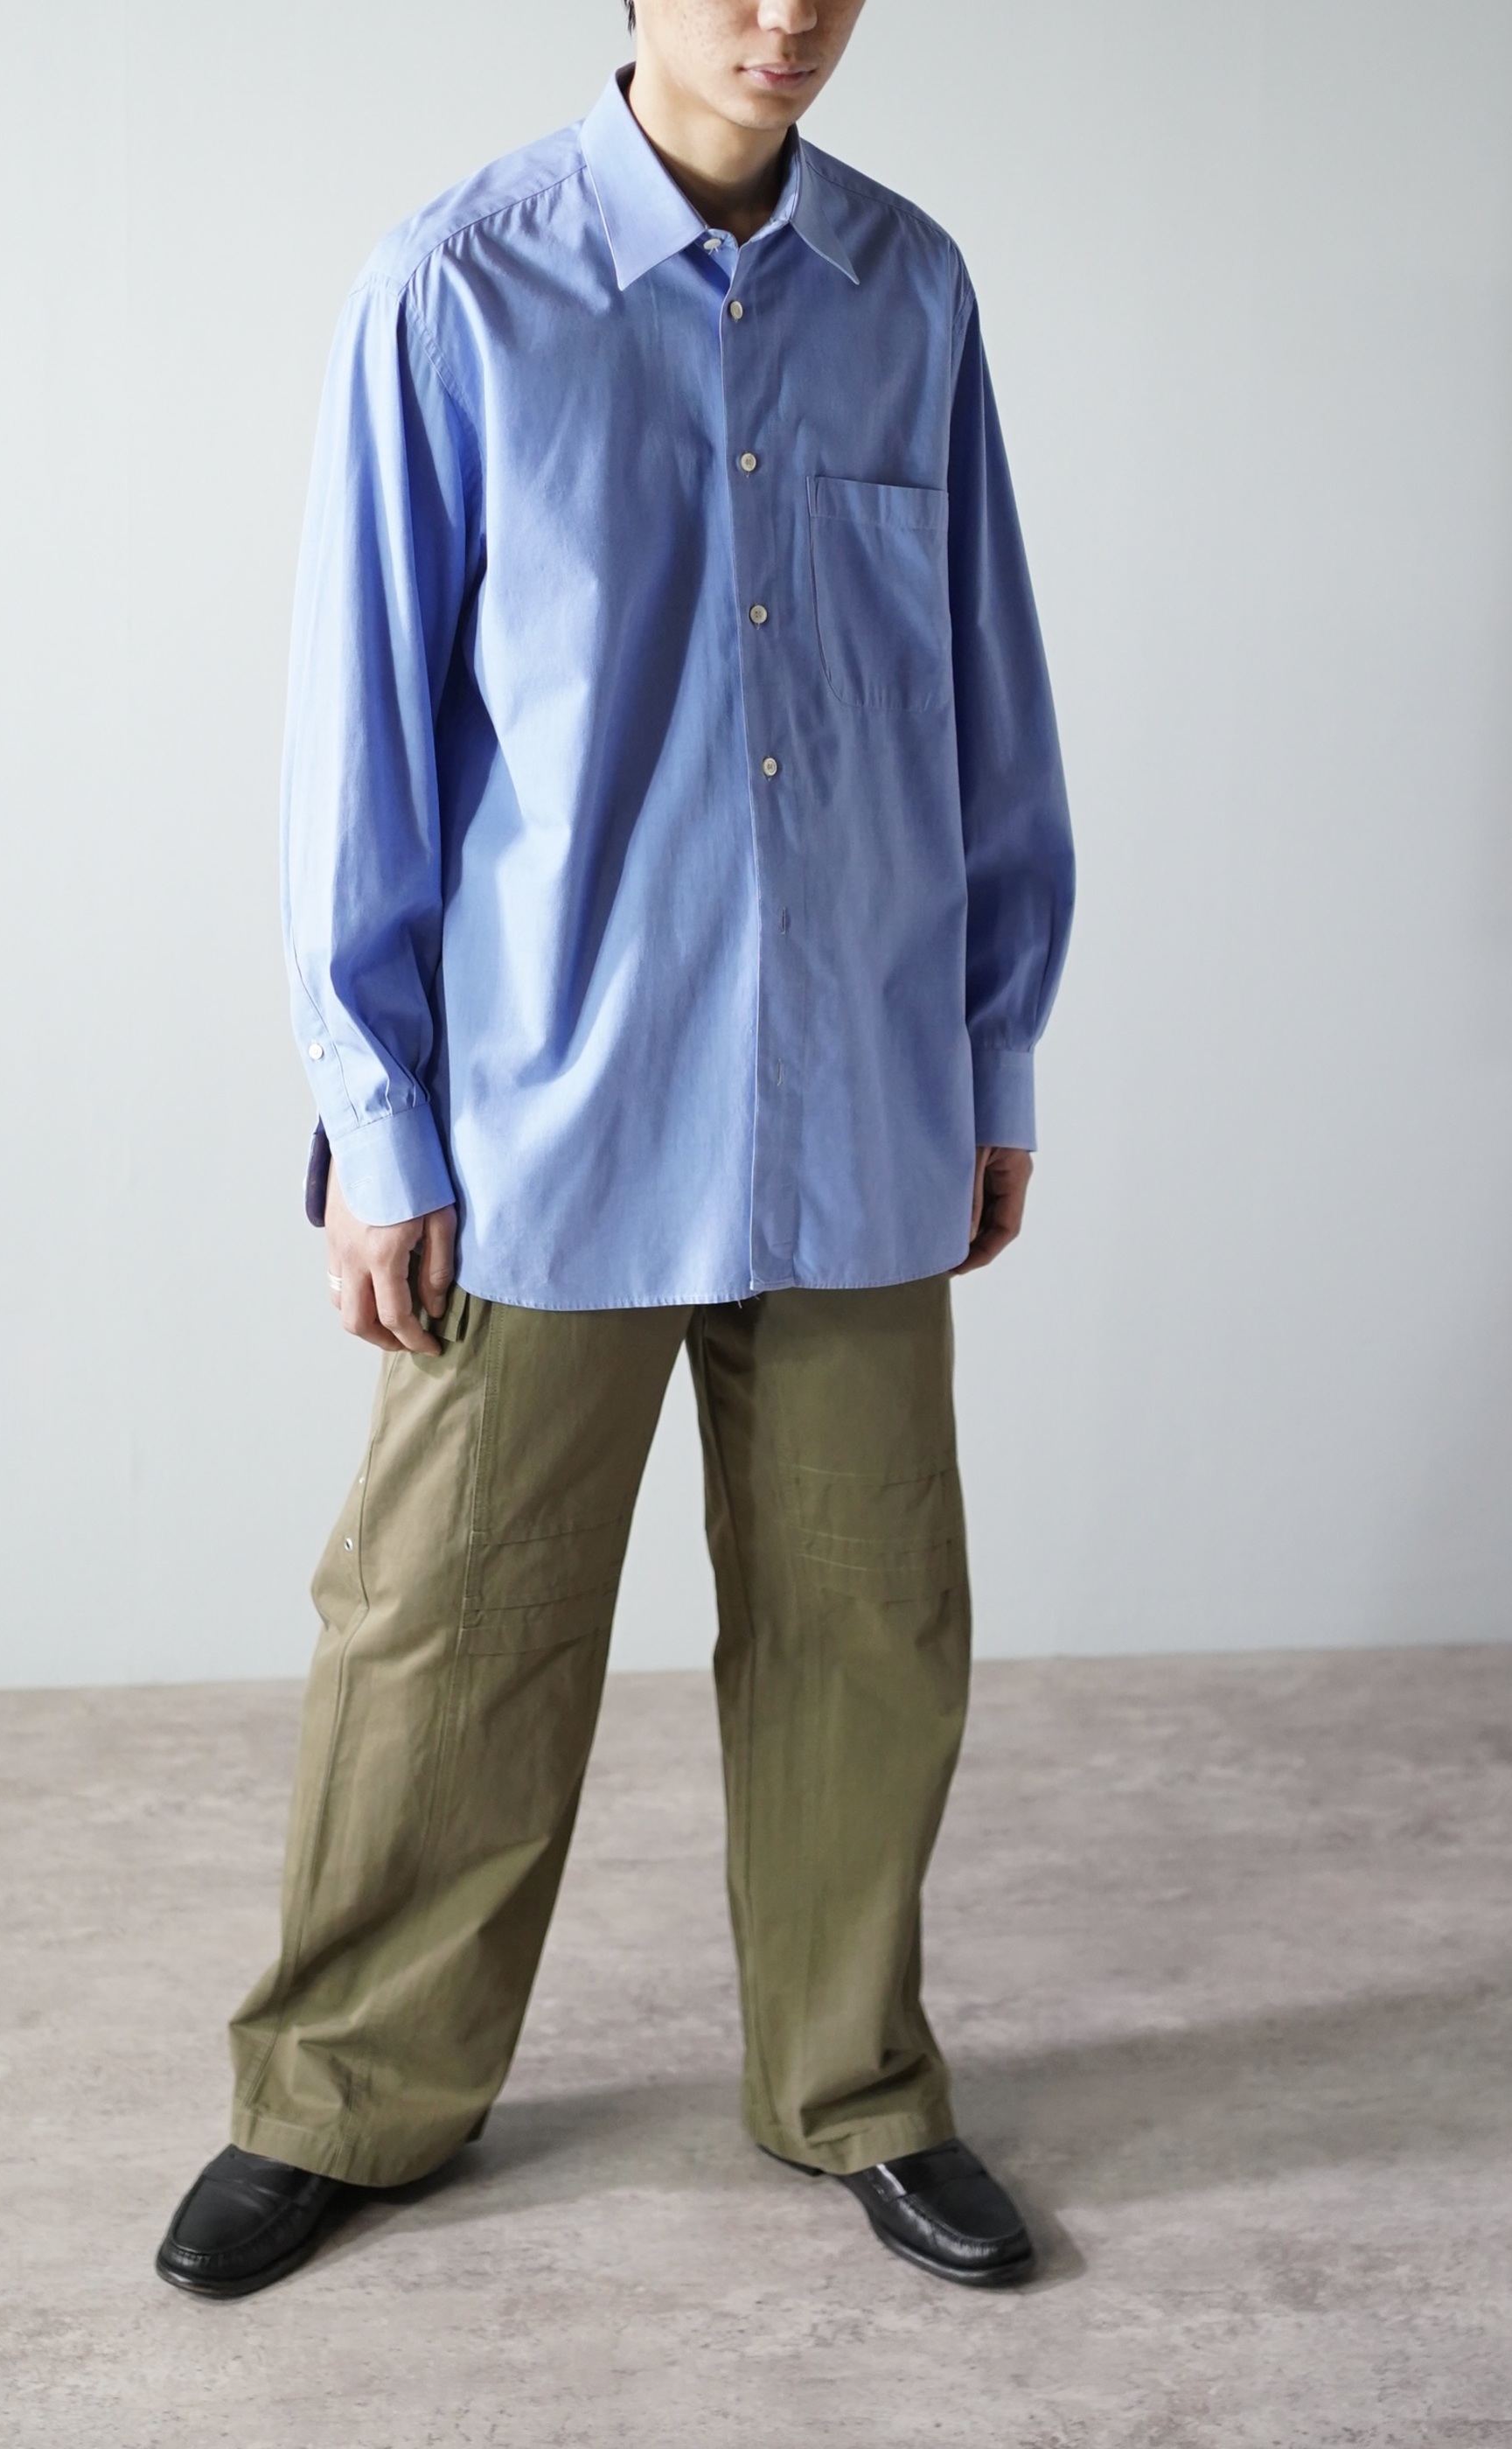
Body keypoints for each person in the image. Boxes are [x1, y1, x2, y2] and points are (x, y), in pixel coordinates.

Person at [157, 0, 1073, 2300]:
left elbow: (987, 694)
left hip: (859, 1092)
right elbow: (361, 723)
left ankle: (854, 2086)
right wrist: (375, 1116)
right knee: (443, 1625)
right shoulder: (455, 285)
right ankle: (346, 2097)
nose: (785, 17)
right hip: (544, 1114)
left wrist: (991, 1063)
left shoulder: (913, 289)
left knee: (870, 1626)